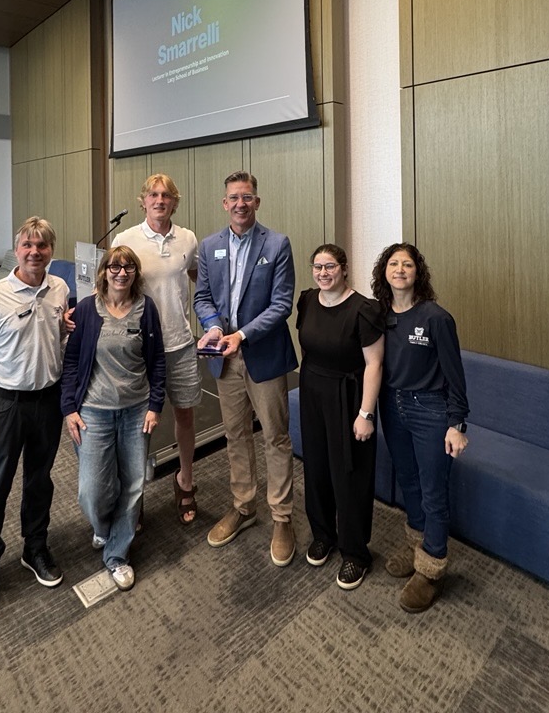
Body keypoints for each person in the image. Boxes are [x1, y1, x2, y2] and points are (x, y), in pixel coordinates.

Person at [0, 216, 69, 625]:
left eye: (42, 245)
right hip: (4, 404)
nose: (34, 252)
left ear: (50, 251)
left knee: (40, 481)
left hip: (48, 400)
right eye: (28, 245)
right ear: (17, 248)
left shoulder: (59, 289)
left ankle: (34, 548)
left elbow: (57, 339)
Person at [194, 171, 297, 566]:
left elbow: (281, 303)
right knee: (235, 435)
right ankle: (243, 505)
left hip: (262, 354)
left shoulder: (277, 244)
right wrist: (217, 328)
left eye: (247, 197)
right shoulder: (210, 246)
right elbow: (202, 296)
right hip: (224, 356)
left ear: (257, 202)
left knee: (275, 436)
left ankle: (282, 517)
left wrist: (243, 336)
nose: (240, 203)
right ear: (225, 203)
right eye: (234, 198)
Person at [371, 242, 469, 613]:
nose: (399, 269)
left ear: (417, 272)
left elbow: (455, 378)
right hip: (392, 407)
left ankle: (432, 568)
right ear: (384, 271)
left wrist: (456, 423)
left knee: (432, 489)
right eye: (393, 263)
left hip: (430, 410)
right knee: (408, 480)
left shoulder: (436, 318)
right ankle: (418, 544)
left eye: (407, 264)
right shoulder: (379, 315)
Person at [61, 245, 165, 591]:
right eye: (114, 267)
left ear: (136, 274)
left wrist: (155, 405)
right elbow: (72, 361)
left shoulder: (145, 309)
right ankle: (104, 527)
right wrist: (69, 408)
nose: (121, 273)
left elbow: (157, 360)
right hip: (93, 411)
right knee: (91, 489)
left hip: (136, 409)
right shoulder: (87, 311)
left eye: (128, 268)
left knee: (134, 484)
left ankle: (117, 554)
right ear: (103, 271)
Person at [113, 173, 200, 525]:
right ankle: (133, 496)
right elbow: (112, 285)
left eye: (166, 195)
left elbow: (197, 277)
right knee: (138, 423)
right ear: (143, 200)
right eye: (153, 194)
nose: (159, 200)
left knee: (185, 414)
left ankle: (186, 481)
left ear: (174, 202)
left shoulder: (188, 239)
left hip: (180, 342)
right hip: (138, 346)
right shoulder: (126, 238)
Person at [296, 244, 384, 589]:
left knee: (349, 474)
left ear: (344, 268)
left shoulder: (364, 310)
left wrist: (366, 413)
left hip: (349, 397)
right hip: (312, 391)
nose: (323, 273)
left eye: (330, 266)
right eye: (317, 267)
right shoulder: (306, 300)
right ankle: (323, 535)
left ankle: (355, 552)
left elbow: (375, 364)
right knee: (316, 466)